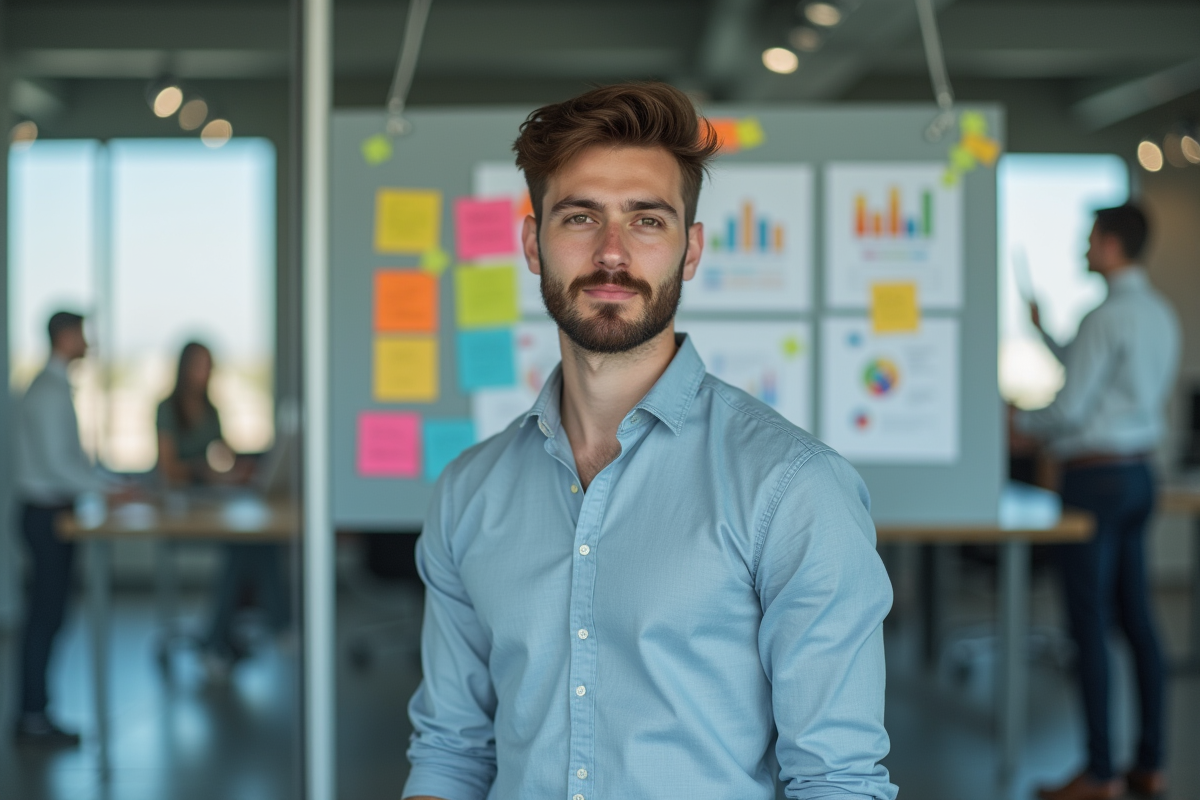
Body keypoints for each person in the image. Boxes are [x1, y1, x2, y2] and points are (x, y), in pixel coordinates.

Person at [403, 82, 896, 800]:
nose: (611, 253)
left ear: (690, 250)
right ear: (531, 243)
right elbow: (451, 751)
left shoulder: (793, 490)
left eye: (646, 221)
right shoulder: (469, 493)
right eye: (579, 217)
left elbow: (837, 781)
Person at [1017, 205, 1180, 800]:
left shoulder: (1103, 316)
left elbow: (1071, 409)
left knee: (1088, 626)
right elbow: (1103, 383)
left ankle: (1100, 773)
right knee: (1138, 621)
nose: (1084, 252)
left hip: (1094, 481)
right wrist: (1043, 332)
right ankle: (1152, 762)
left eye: (1090, 242)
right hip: (1139, 476)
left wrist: (1018, 419)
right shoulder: (1159, 314)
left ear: (1112, 246)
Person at [12, 311, 131, 746]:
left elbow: (68, 461)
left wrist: (109, 485)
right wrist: (110, 491)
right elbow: (57, 466)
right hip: (46, 516)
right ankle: (32, 717)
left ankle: (35, 712)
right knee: (44, 617)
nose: (88, 343)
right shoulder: (46, 392)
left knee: (50, 615)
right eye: (82, 335)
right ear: (64, 337)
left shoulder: (55, 388)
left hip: (54, 513)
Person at [156, 341, 288, 679]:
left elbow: (224, 452)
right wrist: (205, 471)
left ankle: (233, 636)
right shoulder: (168, 409)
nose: (207, 372)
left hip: (212, 501)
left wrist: (241, 468)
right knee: (243, 547)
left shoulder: (210, 408)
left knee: (256, 541)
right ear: (186, 368)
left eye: (210, 365)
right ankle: (271, 625)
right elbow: (170, 469)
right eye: (201, 365)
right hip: (181, 506)